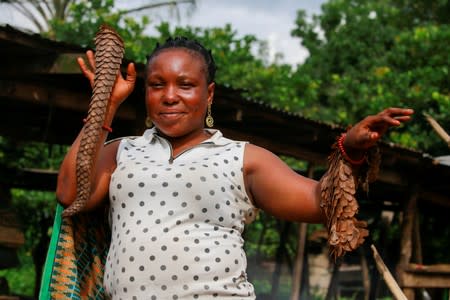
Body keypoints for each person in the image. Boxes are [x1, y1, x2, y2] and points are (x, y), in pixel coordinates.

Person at [56, 36, 414, 299]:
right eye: (156, 85)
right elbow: (70, 194)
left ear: (209, 94)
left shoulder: (242, 158)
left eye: (185, 85)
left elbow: (320, 202)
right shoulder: (122, 151)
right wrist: (105, 103)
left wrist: (349, 149)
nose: (169, 96)